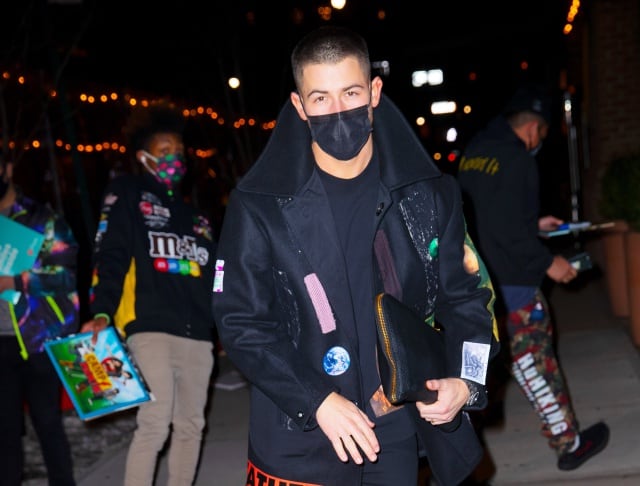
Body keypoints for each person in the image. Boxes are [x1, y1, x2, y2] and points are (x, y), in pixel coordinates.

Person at [211, 26, 500, 486]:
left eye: (350, 92)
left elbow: (470, 298)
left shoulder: (428, 196)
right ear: (299, 106)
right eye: (320, 98)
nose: (338, 110)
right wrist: (318, 399)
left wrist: (466, 381)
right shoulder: (259, 204)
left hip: (396, 434)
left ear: (375, 92)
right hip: (298, 438)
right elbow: (241, 322)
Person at [456, 84, 610, 471]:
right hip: (517, 285)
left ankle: (459, 460)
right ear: (533, 129)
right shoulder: (520, 160)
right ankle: (569, 444)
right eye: (542, 133)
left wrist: (535, 224)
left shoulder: (473, 154)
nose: (540, 141)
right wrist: (549, 262)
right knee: (536, 365)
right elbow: (510, 234)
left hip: (476, 286)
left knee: (494, 372)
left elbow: (488, 217)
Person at [80, 101, 217, 486]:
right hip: (151, 328)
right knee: (155, 423)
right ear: (143, 157)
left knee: (191, 425)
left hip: (198, 335)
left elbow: (216, 275)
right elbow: (110, 255)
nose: (175, 157)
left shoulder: (197, 217)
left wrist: (223, 319)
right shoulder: (126, 193)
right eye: (164, 151)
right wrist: (102, 310)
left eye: (178, 151)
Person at [0, 158, 79, 485]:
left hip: (38, 339)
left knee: (48, 425)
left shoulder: (41, 218)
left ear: (7, 168)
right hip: (0, 346)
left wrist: (16, 282)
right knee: (3, 435)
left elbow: (66, 276)